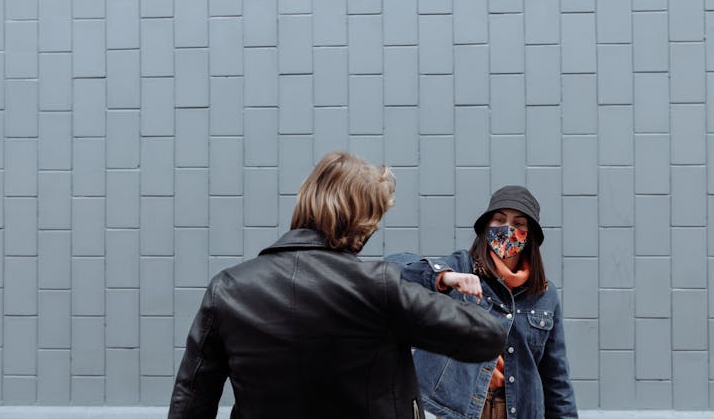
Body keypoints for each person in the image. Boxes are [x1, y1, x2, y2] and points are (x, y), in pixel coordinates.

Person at [168, 151, 507, 419]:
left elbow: (191, 400)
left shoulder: (228, 289)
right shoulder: (378, 289)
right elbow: (486, 336)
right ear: (361, 220)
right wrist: (427, 282)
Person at [388, 185, 578, 419]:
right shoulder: (462, 268)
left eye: (518, 223)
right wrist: (445, 277)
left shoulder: (544, 295)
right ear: (487, 227)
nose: (507, 229)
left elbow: (556, 379)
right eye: (499, 220)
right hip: (459, 411)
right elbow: (393, 267)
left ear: (529, 235)